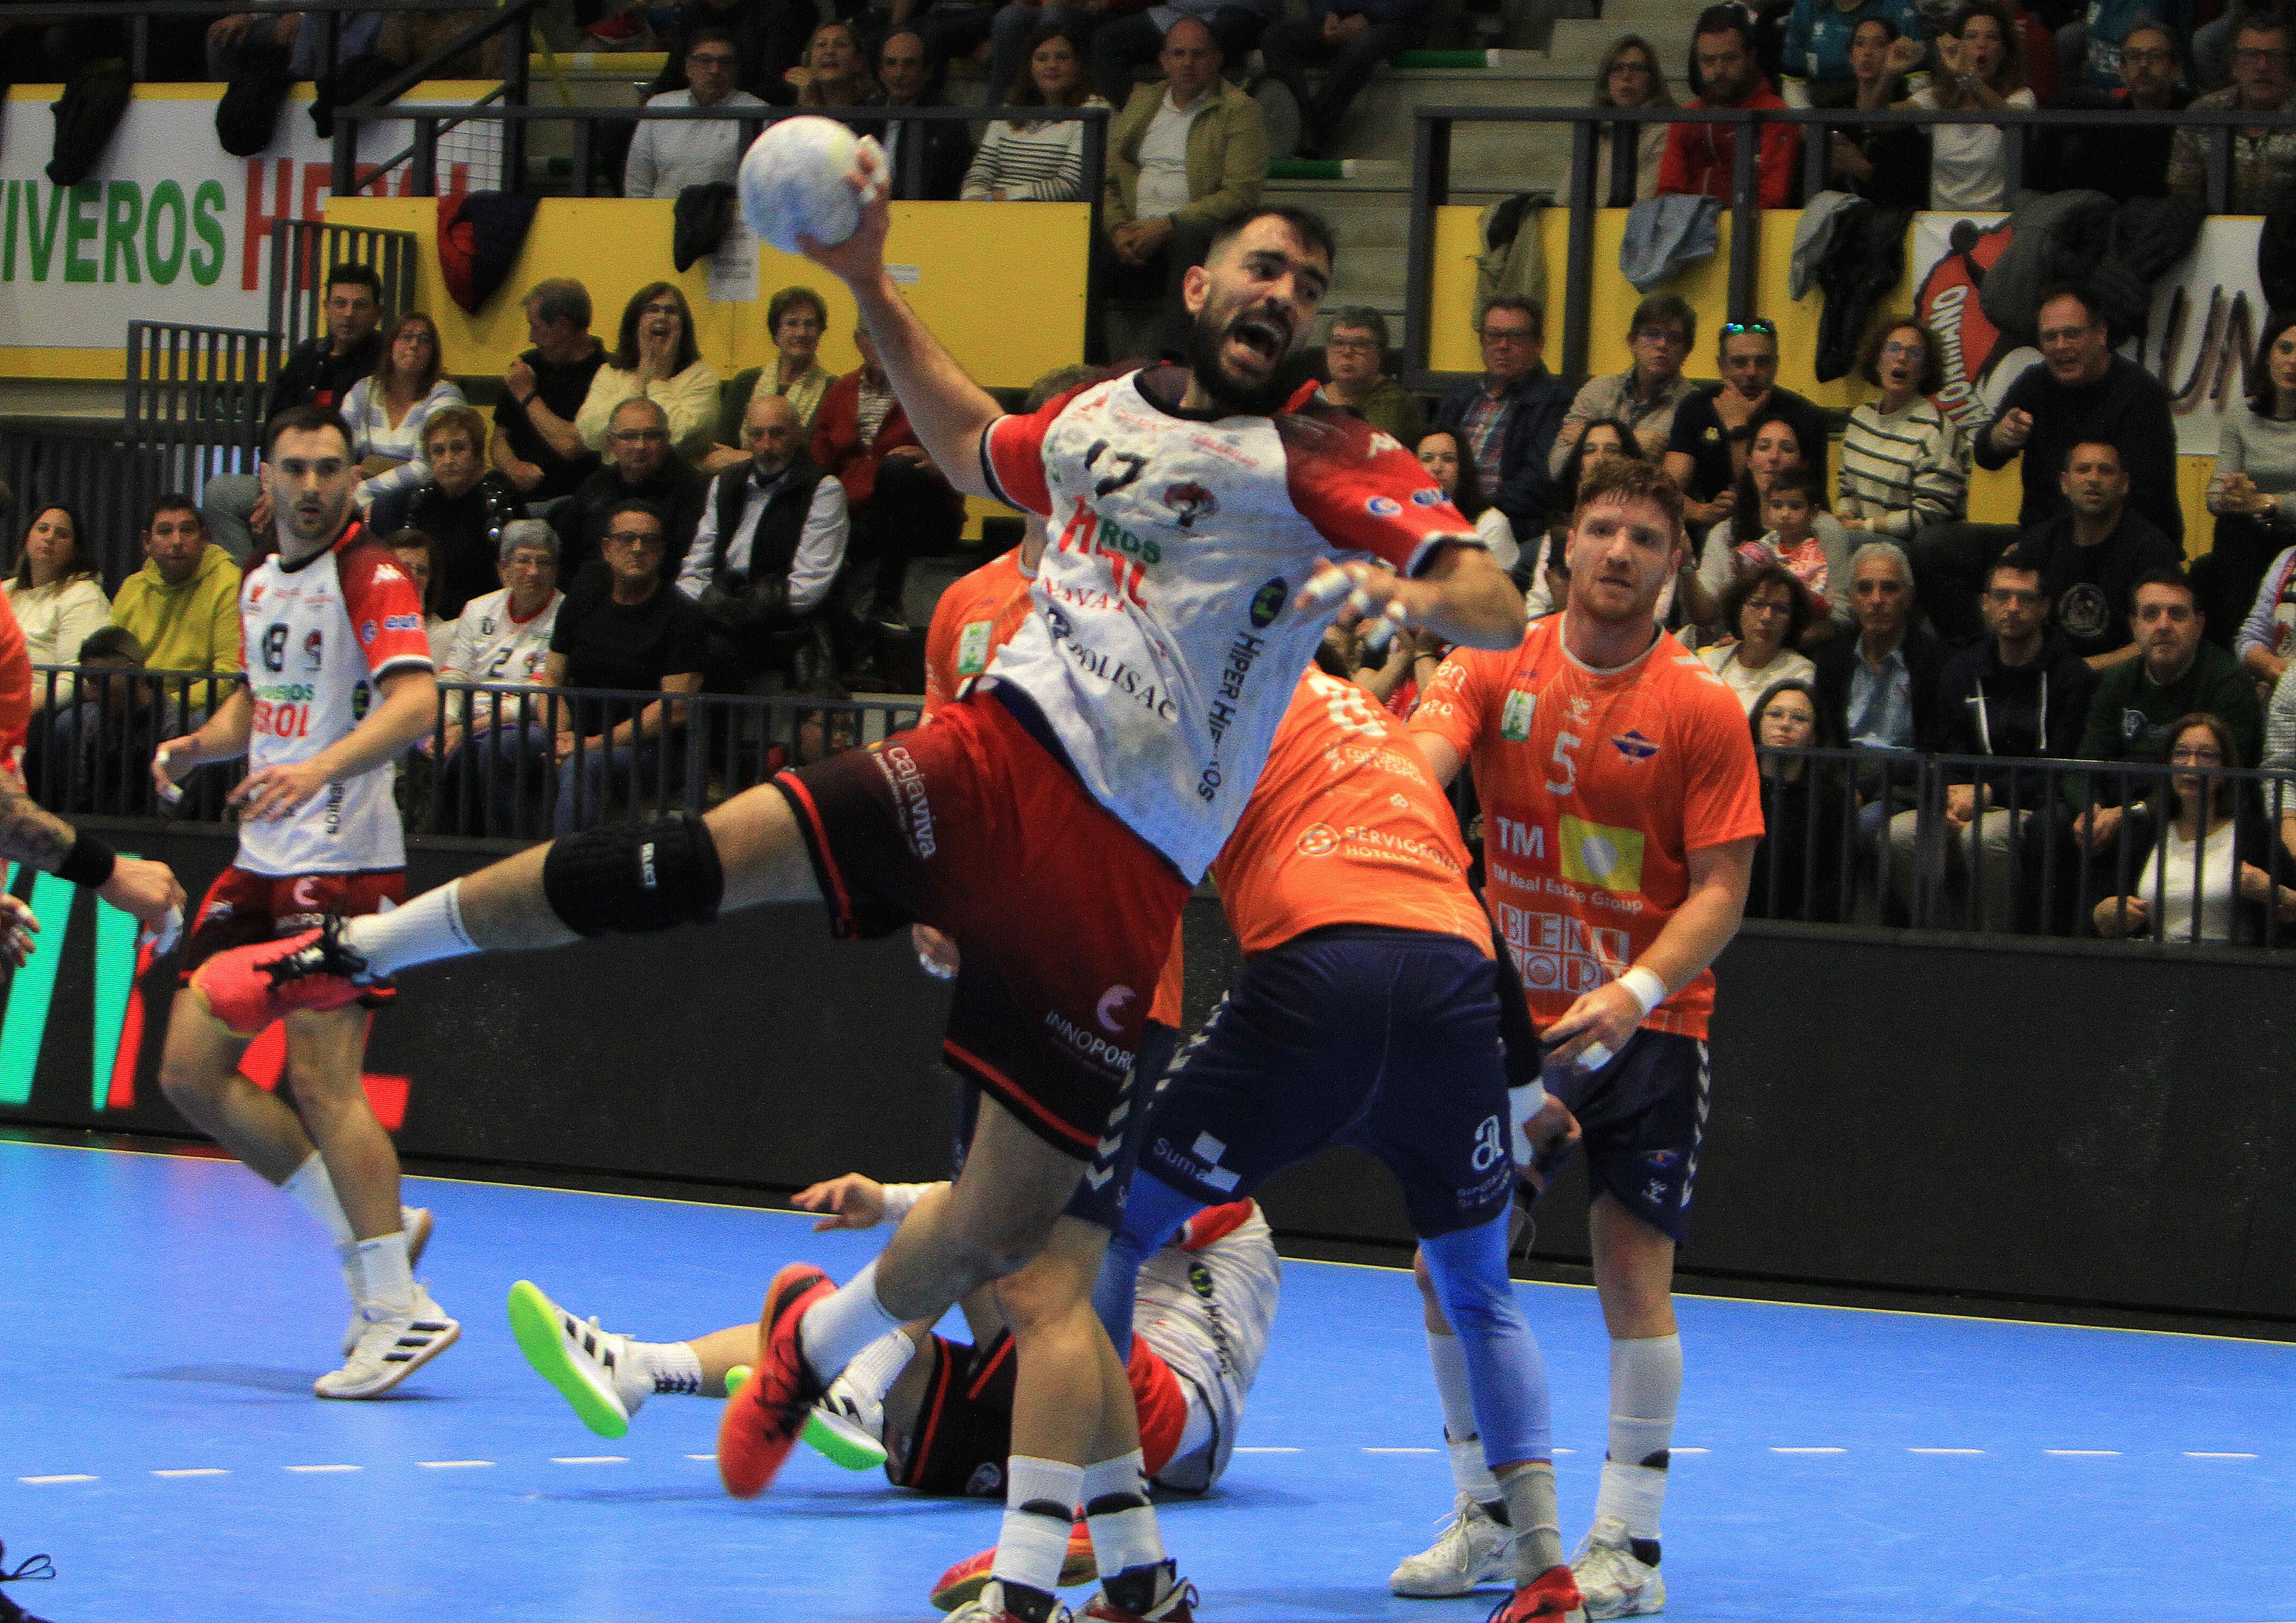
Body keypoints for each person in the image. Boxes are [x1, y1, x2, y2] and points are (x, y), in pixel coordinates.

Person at [192, 197, 1528, 1623]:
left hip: (1112, 887)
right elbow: (965, 440)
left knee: (1010, 1249)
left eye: (1311, 280)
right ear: (1198, 286)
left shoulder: (1323, 457)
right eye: (1267, 265)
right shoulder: (1091, 423)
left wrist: (1408, 575)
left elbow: (1492, 599)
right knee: (677, 863)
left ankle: (834, 1358)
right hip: (979, 767)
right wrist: (860, 278)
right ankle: (345, 947)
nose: (1287, 291)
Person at [1404, 456, 1763, 1620]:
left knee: (1630, 1277)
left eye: (1644, 537)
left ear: (1671, 564)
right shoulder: (1493, 662)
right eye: (1600, 529)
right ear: (1564, 547)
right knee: (1444, 1268)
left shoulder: (1702, 705)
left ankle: (1629, 1544)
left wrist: (1641, 985)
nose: (1618, 551)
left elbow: (1719, 890)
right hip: (1514, 1036)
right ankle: (1485, 1514)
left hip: (1651, 1031)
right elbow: (1418, 772)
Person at [148, 404, 452, 1402]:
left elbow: (416, 704)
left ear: (354, 480)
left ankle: (396, 1311)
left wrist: (314, 768)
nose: (314, 487)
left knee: (326, 1087)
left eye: (331, 469)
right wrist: (202, 745)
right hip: (261, 857)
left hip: (343, 864)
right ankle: (372, 1232)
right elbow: (262, 695)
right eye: (296, 469)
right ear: (264, 479)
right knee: (191, 1072)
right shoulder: (259, 578)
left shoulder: (375, 577)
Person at [505, 1185, 1280, 1513]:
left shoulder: (1215, 1180)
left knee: (981, 1227)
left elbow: (1034, 1205)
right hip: (1069, 1392)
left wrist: (894, 1203)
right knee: (903, 1304)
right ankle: (640, 1370)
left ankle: (853, 1393)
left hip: (1163, 1422)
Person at [1948, 285, 2178, 644]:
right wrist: (2001, 437)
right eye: (2050, 337)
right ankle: (1985, 661)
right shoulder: (2035, 383)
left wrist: (2043, 545)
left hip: (2123, 545)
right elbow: (1985, 455)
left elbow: (2146, 495)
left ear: (2101, 334)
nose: (2060, 346)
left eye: (2072, 334)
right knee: (1937, 551)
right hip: (2044, 540)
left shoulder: (2140, 393)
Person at [1905, 552, 2094, 927]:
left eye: (2025, 598)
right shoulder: (1961, 669)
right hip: (1968, 798)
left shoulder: (2071, 676)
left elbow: (2063, 765)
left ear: (2045, 608)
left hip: (2032, 802)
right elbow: (1947, 747)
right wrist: (1950, 800)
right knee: (1899, 834)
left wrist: (1991, 793)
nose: (2012, 608)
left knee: (1985, 838)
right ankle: (1936, 942)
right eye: (2002, 596)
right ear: (1985, 604)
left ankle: (1996, 946)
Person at [2064, 572, 2266, 889]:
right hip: (2123, 794)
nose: (2163, 625)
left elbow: (2224, 777)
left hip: (2192, 800)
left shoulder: (2228, 682)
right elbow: (2084, 765)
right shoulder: (2118, 680)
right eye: (2150, 614)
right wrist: (2090, 810)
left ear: (2199, 624)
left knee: (2137, 830)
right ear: (2134, 626)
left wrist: (2128, 813)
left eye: (2178, 614)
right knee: (2051, 827)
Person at [1099, 19, 1270, 357]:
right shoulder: (1142, 102)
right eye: (1179, 53)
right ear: (1164, 60)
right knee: (1079, 244)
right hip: (1132, 232)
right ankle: (1082, 364)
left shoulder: (1240, 111)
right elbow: (1109, 178)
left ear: (1216, 60)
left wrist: (1166, 225)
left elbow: (1241, 194)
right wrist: (1118, 229)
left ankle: (1173, 362)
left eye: (1198, 54)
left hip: (1192, 233)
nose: (1188, 63)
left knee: (1191, 239)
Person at [546, 500, 708, 834]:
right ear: (606, 549)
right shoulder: (581, 601)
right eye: (626, 539)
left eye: (649, 541)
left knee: (581, 767)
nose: (637, 549)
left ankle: (571, 869)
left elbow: (673, 710)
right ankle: (503, 862)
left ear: (662, 551)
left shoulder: (682, 615)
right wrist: (560, 734)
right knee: (494, 749)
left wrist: (589, 744)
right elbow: (552, 677)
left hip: (654, 750)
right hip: (579, 734)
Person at [204, 263, 384, 563]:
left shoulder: (385, 364)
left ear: (378, 313)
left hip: (342, 484)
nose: (349, 313)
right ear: (326, 307)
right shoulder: (305, 356)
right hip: (289, 477)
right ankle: (254, 587)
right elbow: (274, 430)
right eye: (340, 303)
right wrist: (271, 487)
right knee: (220, 494)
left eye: (360, 305)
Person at [680, 395, 850, 692]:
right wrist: (716, 603)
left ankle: (710, 738)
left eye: (777, 433)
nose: (767, 445)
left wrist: (746, 611)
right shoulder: (724, 483)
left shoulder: (824, 489)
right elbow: (694, 569)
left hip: (785, 622)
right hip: (723, 606)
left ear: (798, 436)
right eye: (757, 434)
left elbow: (810, 586)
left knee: (715, 652)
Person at [1813, 542, 1944, 909]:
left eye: (1889, 588)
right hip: (1845, 779)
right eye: (1865, 588)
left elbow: (1934, 746)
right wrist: (1842, 784)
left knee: (1864, 825)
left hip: (1907, 785)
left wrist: (1865, 787)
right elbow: (1827, 740)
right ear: (1850, 598)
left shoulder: (1934, 660)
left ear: (1909, 597)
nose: (1876, 599)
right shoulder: (1833, 662)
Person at [2091, 712, 2296, 942]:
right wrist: (2106, 914)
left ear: (2225, 767)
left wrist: (2272, 891)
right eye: (2181, 753)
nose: (2192, 765)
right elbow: (2103, 915)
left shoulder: (2254, 834)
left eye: (2206, 755)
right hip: (2157, 964)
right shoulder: (2146, 833)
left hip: (2231, 969)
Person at [813, 325, 963, 634]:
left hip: (924, 509)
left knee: (897, 467)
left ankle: (887, 599)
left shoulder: (928, 387)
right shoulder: (841, 391)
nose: (881, 342)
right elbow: (819, 459)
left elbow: (964, 453)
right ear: (858, 342)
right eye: (871, 334)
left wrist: (938, 464)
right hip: (859, 513)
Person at [437, 520, 564, 837]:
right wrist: (446, 724)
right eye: (524, 561)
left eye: (543, 562)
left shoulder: (566, 614)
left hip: (527, 721)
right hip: (471, 718)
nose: (533, 571)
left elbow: (540, 696)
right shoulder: (478, 609)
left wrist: (469, 728)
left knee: (482, 749)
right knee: (438, 744)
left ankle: (502, 848)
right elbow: (455, 676)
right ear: (503, 568)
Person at [2013, 439, 2181, 673]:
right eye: (2083, 470)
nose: (2093, 479)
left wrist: (2082, 670)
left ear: (2124, 483)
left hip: (2123, 679)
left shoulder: (2152, 548)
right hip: (2047, 676)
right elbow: (2015, 618)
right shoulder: (2038, 543)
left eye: (2106, 471)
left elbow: (2160, 637)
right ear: (2065, 483)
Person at [1691, 419, 1853, 638]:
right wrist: (1685, 567)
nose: (1773, 458)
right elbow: (1706, 614)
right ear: (1749, 461)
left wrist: (1781, 643)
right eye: (1763, 447)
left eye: (1786, 449)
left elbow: (1841, 613)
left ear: (1802, 464)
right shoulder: (1724, 534)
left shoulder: (1824, 528)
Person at [1664, 315, 1832, 524]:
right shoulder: (1697, 406)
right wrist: (1700, 511)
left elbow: (1803, 502)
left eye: (1762, 362)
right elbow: (1666, 490)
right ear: (1722, 365)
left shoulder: (1805, 416)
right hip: (1712, 526)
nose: (1751, 372)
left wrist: (1738, 428)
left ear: (1776, 365)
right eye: (1740, 363)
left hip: (1785, 526)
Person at [1432, 295, 1572, 542]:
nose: (1503, 345)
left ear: (1538, 344)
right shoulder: (1459, 398)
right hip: (1441, 517)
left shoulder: (1555, 402)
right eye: (1493, 336)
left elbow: (1539, 482)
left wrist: (1477, 512)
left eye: (1516, 337)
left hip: (1511, 527)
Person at [108, 496, 244, 734]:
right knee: (75, 722)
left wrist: (161, 705)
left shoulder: (229, 582)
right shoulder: (132, 587)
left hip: (196, 705)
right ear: (147, 542)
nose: (177, 541)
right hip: (138, 702)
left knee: (186, 725)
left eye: (187, 530)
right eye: (165, 532)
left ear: (204, 539)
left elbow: (228, 676)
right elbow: (112, 660)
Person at [2212, 309, 2296, 674]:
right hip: (2248, 538)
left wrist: (2268, 502)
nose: (2293, 361)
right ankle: (2238, 668)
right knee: (2230, 530)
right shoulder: (2240, 417)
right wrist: (2231, 494)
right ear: (2267, 356)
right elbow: (2214, 495)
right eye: (2285, 348)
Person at [552, 398, 712, 588]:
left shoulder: (695, 490)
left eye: (652, 436)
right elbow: (566, 553)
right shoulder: (596, 486)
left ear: (667, 440)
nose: (641, 446)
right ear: (612, 443)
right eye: (629, 436)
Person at [1836, 317, 1967, 546]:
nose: (1902, 357)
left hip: (1913, 549)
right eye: (1893, 348)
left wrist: (1865, 528)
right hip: (1859, 539)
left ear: (1925, 370)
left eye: (1915, 353)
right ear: (1878, 361)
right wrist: (1844, 516)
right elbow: (1847, 489)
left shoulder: (1936, 430)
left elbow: (1929, 516)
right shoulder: (1860, 418)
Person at [1656, 5, 1800, 208]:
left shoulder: (1775, 114)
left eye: (1729, 58)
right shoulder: (1687, 117)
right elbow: (1668, 190)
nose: (1719, 70)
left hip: (1748, 232)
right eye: (1708, 61)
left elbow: (1772, 198)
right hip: (1688, 230)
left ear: (1751, 56)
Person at [1899, 0, 2034, 212]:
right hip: (1939, 226)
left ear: (2004, 51)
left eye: (1992, 37)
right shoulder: (1938, 97)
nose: (1981, 44)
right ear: (1958, 45)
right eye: (1971, 37)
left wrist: (1967, 78)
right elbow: (1881, 119)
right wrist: (1888, 74)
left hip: (1995, 223)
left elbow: (2011, 121)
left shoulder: (2021, 97)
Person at [341, 311, 465, 535]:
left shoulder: (445, 395)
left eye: (424, 340)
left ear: (433, 353)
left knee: (384, 509)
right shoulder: (363, 391)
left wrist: (363, 490)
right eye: (406, 337)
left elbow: (426, 467)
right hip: (358, 497)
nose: (414, 344)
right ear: (391, 346)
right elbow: (339, 448)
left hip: (418, 501)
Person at [1255, 0, 1428, 159]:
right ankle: (1295, 129)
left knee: (1361, 47)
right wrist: (1328, 15)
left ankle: (1308, 136)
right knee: (1276, 36)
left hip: (1396, 21)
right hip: (1339, 19)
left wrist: (1368, 17)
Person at [575, 284, 724, 467]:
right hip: (618, 482)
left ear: (683, 328)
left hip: (677, 484)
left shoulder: (703, 377)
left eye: (671, 312)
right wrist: (638, 384)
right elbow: (589, 435)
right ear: (635, 325)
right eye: (652, 310)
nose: (662, 317)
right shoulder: (610, 373)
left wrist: (656, 382)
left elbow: (681, 440)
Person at [1551, 295, 1700, 477]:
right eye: (1652, 334)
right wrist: (1632, 441)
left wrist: (1590, 444)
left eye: (1674, 338)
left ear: (1687, 350)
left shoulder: (1694, 404)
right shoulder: (1597, 390)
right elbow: (1557, 465)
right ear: (1632, 341)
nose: (1662, 344)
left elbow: (1670, 482)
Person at [405, 404, 529, 622]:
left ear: (477, 451)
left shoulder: (499, 498)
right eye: (438, 451)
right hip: (429, 618)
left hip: (487, 619)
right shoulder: (422, 499)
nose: (448, 460)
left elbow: (514, 576)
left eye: (458, 448)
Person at [2040, 20, 2189, 200]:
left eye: (2155, 56)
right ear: (2122, 71)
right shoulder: (2106, 127)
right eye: (2133, 56)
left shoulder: (2197, 119)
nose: (2143, 65)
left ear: (2177, 70)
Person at [493, 278, 607, 509]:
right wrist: (512, 466)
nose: (531, 338)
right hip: (517, 498)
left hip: (577, 501)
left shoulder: (609, 374)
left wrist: (527, 396)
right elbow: (498, 440)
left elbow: (572, 446)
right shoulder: (526, 365)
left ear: (563, 326)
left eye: (536, 327)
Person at [1744, 676, 1851, 920]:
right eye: (1775, 715)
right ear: (1758, 723)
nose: (1785, 725)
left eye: (1799, 718)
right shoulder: (1732, 788)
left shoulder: (1832, 801)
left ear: (1815, 736)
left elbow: (1834, 884)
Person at [963, 25, 1109, 202]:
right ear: (1030, 67)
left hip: (1050, 217)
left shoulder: (1093, 110)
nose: (1052, 65)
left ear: (1079, 64)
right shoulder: (1009, 109)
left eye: (1062, 58)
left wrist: (999, 198)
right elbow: (982, 168)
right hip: (991, 210)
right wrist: (973, 198)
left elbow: (1071, 184)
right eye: (1041, 58)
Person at [2169, 13, 2296, 214]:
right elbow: (2183, 196)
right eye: (2251, 55)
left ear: (2290, 65)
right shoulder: (2203, 113)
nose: (2263, 66)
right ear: (2234, 65)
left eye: (2275, 56)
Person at [626, 29, 769, 200]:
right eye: (704, 61)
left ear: (736, 69)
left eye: (725, 62)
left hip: (727, 219)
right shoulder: (659, 107)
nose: (715, 70)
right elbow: (638, 181)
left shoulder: (758, 112)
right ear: (689, 67)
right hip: (662, 217)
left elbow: (763, 186)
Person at [716, 286, 838, 475]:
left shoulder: (834, 390)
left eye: (810, 324)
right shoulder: (745, 383)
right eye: (792, 323)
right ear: (775, 333)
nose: (801, 333)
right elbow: (718, 455)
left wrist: (746, 458)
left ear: (820, 332)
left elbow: (815, 459)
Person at [6, 504, 110, 713]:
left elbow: (75, 675)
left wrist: (19, 708)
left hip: (37, 707)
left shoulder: (84, 595)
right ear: (27, 539)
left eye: (62, 534)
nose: (50, 537)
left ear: (75, 551)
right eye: (43, 529)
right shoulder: (5, 591)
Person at [857, 29, 975, 202]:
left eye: (909, 64)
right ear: (881, 72)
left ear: (927, 71)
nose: (899, 73)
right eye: (891, 63)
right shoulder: (867, 114)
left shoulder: (946, 119)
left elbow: (944, 186)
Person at [1826, 17, 1931, 205]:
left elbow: (1912, 192)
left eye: (1880, 45)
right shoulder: (1834, 112)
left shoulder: (1908, 115)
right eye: (1860, 44)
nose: (1867, 52)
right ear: (1850, 56)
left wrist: (1864, 169)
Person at [1091, 0, 1273, 104]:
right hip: (1175, 12)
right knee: (1105, 41)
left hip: (1238, 10)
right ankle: (1139, 117)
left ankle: (1206, 119)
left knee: (1209, 40)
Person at [1700, 563, 1818, 712]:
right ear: (1738, 609)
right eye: (1757, 604)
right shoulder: (1709, 662)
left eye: (1780, 609)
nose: (1767, 617)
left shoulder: (1801, 673)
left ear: (1793, 619)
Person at [1417, 429, 1522, 580]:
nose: (1437, 467)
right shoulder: (1400, 518)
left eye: (1448, 459)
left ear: (1463, 467)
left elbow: (1496, 594)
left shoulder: (1491, 523)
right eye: (1427, 459)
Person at [1778, 0, 1924, 106]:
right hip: (1819, 112)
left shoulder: (1899, 7)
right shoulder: (1806, 8)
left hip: (1886, 105)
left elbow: (1919, 88)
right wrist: (1814, 134)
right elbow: (1793, 82)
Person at [1590, 36, 1676, 207]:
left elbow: (1648, 197)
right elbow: (1566, 196)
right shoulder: (1594, 129)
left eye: (1636, 68)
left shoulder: (1669, 129)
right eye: (1617, 68)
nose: (1626, 76)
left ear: (1651, 78)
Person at [1321, 307, 1424, 447]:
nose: (1347, 352)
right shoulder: (1311, 395)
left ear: (1380, 354)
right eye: (1338, 343)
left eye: (1360, 345)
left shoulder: (1394, 404)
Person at [385, 529, 458, 671]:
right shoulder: (360, 620)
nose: (413, 576)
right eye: (405, 567)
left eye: (422, 571)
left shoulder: (439, 634)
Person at [790, 19, 878, 108]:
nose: (829, 51)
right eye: (822, 45)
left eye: (840, 44)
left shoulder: (875, 112)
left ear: (858, 62)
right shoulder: (792, 119)